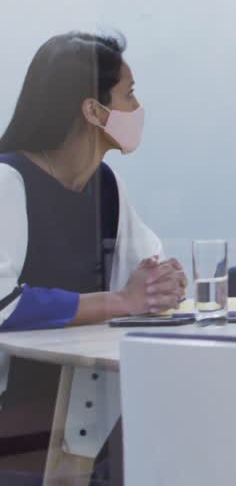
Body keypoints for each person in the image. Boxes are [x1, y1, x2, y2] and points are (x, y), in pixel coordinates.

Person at [0, 32, 187, 480]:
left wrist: (165, 283)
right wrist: (122, 301)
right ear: (92, 110)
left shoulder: (107, 187)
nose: (137, 109)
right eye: (129, 94)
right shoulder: (8, 181)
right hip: (18, 418)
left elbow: (146, 270)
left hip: (84, 408)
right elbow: (4, 306)